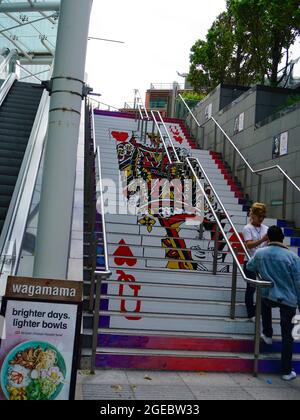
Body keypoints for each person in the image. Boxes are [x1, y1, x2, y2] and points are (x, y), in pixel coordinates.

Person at [247, 226, 300, 381]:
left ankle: (268, 332)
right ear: (282, 238)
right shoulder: (293, 257)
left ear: (268, 238)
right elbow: (298, 282)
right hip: (288, 299)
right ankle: (286, 371)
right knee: (287, 336)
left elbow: (250, 266)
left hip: (268, 294)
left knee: (264, 302)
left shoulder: (261, 253)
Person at [243, 203, 269, 320]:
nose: (261, 219)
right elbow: (249, 245)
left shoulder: (266, 228)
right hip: (250, 261)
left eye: (263, 216)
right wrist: (263, 239)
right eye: (259, 216)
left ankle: (260, 311)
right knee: (251, 287)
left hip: (262, 262)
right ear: (252, 215)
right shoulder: (247, 228)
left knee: (263, 288)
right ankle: (251, 313)